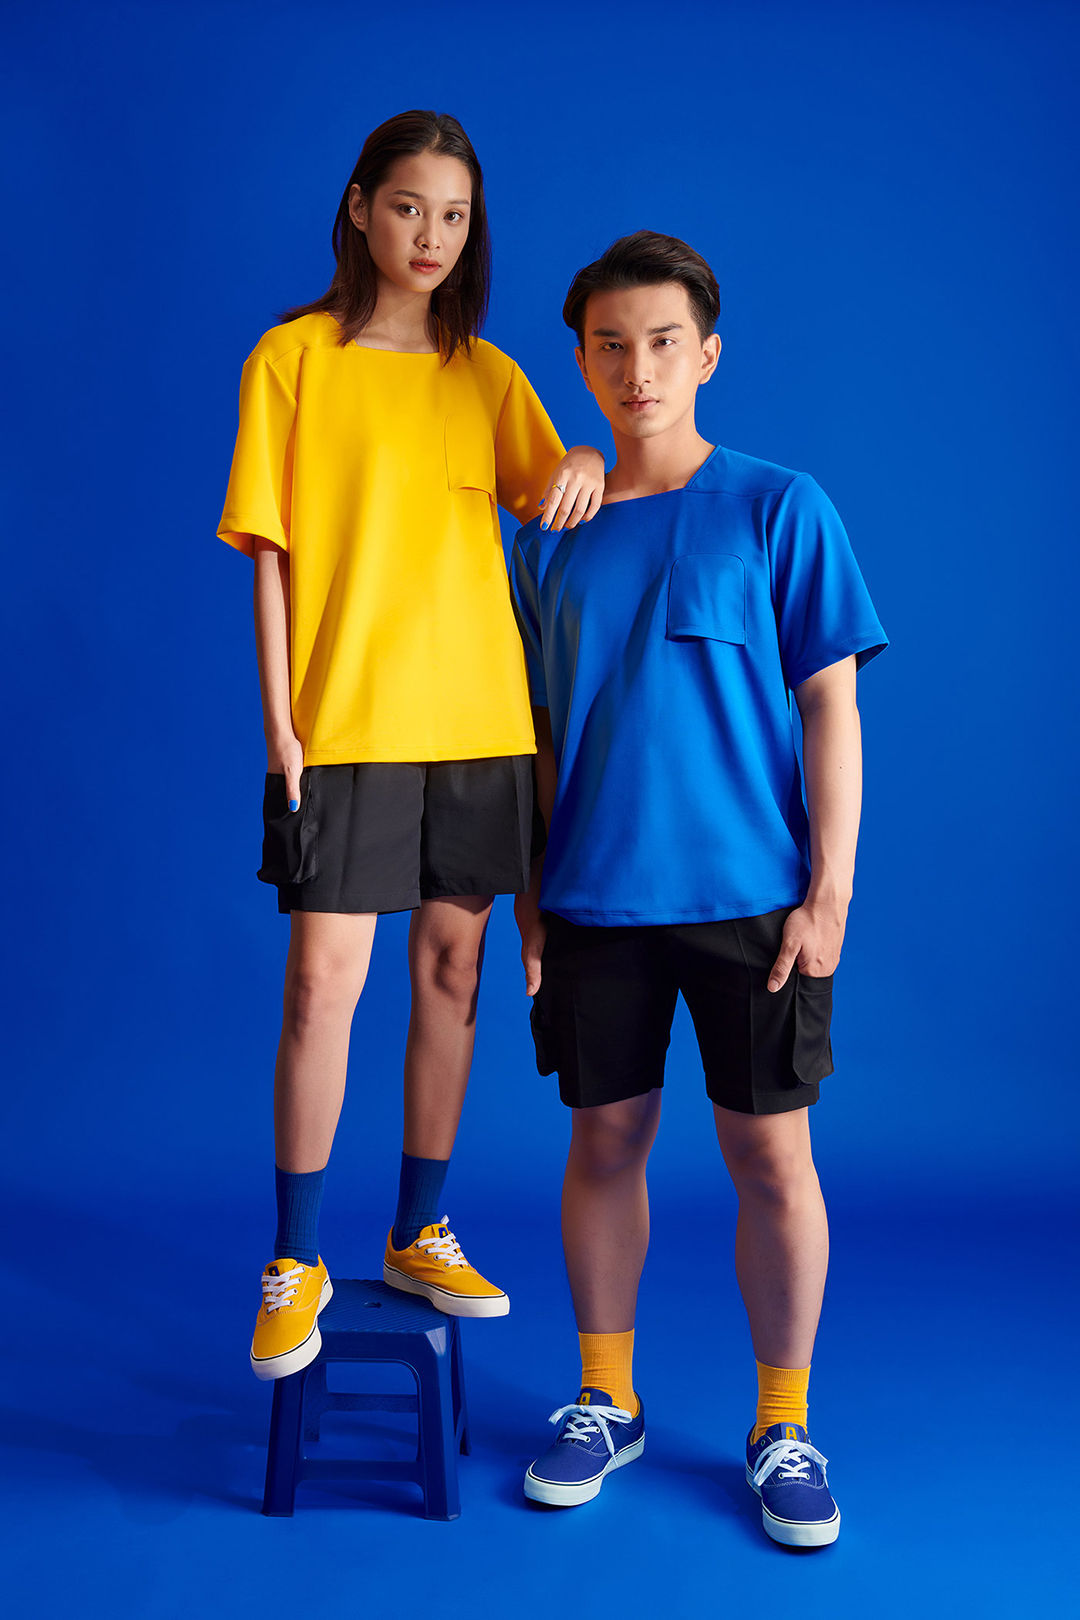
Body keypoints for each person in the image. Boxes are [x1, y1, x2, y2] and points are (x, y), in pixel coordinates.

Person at [510, 231, 887, 1546]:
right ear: (581, 361)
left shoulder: (782, 506)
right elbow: (538, 737)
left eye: (663, 342)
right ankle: (605, 1399)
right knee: (603, 1143)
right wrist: (529, 892)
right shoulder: (549, 537)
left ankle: (785, 1424)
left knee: (771, 1156)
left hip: (754, 903)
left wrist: (830, 890)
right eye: (610, 345)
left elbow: (830, 709)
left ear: (708, 355)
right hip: (594, 897)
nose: (638, 368)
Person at [217, 110, 604, 1382]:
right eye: (408, 207)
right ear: (358, 207)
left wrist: (583, 452)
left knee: (452, 976)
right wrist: (280, 724)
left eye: (454, 215)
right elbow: (270, 558)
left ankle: (417, 1229)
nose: (432, 235)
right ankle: (295, 1258)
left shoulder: (487, 376)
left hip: (481, 726)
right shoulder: (293, 360)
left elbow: (564, 492)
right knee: (320, 987)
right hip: (345, 725)